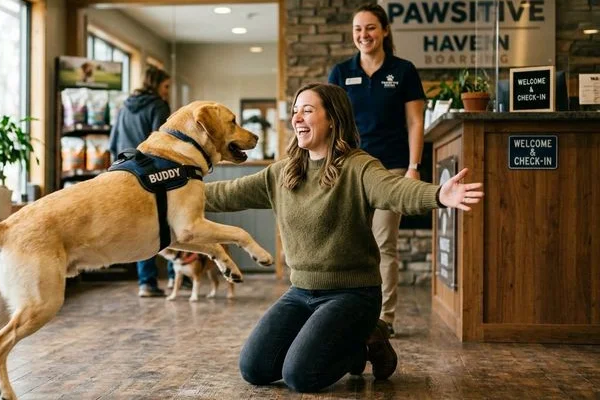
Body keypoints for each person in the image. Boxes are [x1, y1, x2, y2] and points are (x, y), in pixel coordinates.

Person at [204, 83, 483, 392]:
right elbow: (226, 194)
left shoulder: (358, 166)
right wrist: (171, 191)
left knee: (301, 376)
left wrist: (439, 194)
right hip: (301, 292)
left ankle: (363, 343)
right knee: (254, 368)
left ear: (333, 119)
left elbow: (395, 190)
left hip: (353, 294)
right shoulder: (282, 173)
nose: (298, 118)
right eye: (295, 111)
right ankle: (346, 338)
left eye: (308, 111)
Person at [327, 3, 426, 336]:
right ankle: (348, 311)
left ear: (384, 31)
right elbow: (332, 122)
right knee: (348, 243)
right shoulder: (340, 73)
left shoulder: (404, 71)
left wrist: (413, 166)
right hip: (350, 169)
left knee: (384, 242)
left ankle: (384, 319)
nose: (363, 35)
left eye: (370, 28)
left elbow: (414, 121)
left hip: (391, 169)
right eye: (358, 29)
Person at [108, 66, 179, 297]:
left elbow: (113, 143)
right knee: (166, 223)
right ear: (156, 84)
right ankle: (174, 277)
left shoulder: (124, 107)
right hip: (153, 173)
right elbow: (162, 141)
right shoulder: (159, 105)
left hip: (124, 173)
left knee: (142, 227)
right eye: (166, 86)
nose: (167, 91)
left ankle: (146, 282)